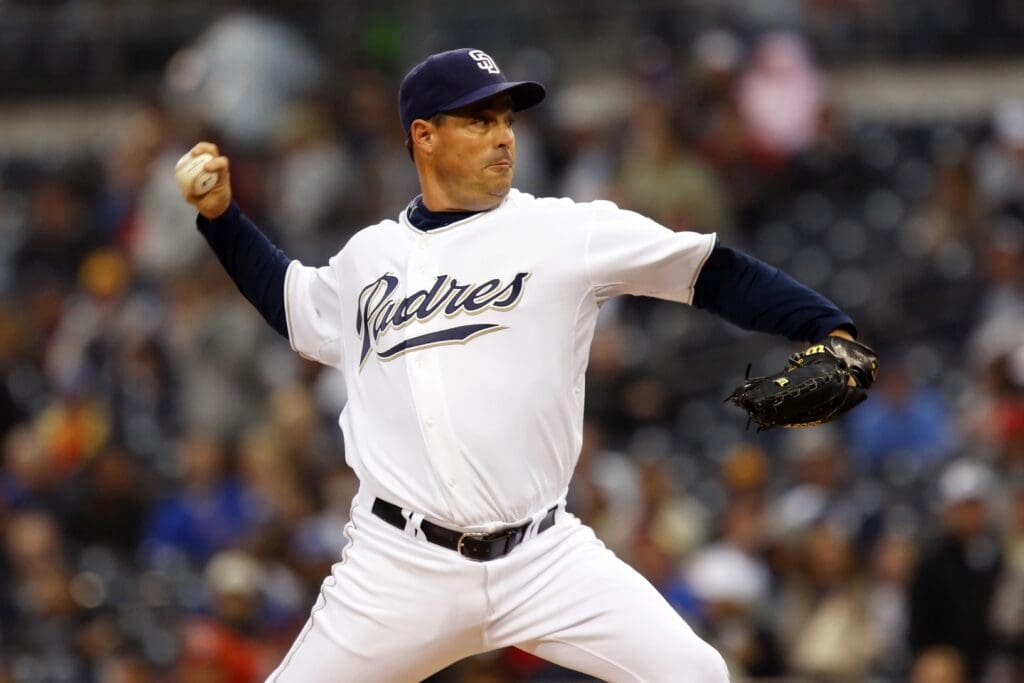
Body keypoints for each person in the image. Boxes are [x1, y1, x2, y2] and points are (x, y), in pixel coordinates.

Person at [178, 48, 872, 682]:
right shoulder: (368, 258)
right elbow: (295, 303)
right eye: (479, 120)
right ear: (424, 135)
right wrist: (221, 217)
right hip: (398, 565)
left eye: (505, 119)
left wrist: (828, 326)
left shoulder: (563, 231)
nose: (504, 135)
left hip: (542, 556)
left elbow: (711, 270)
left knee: (698, 673)